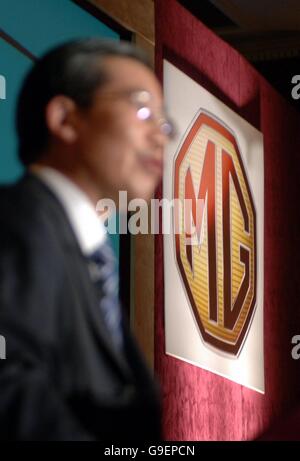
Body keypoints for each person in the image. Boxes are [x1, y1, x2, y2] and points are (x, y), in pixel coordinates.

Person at [0, 39, 174, 441]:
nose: (160, 137)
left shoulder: (90, 261)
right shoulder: (17, 223)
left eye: (165, 124)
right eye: (143, 110)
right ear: (65, 118)